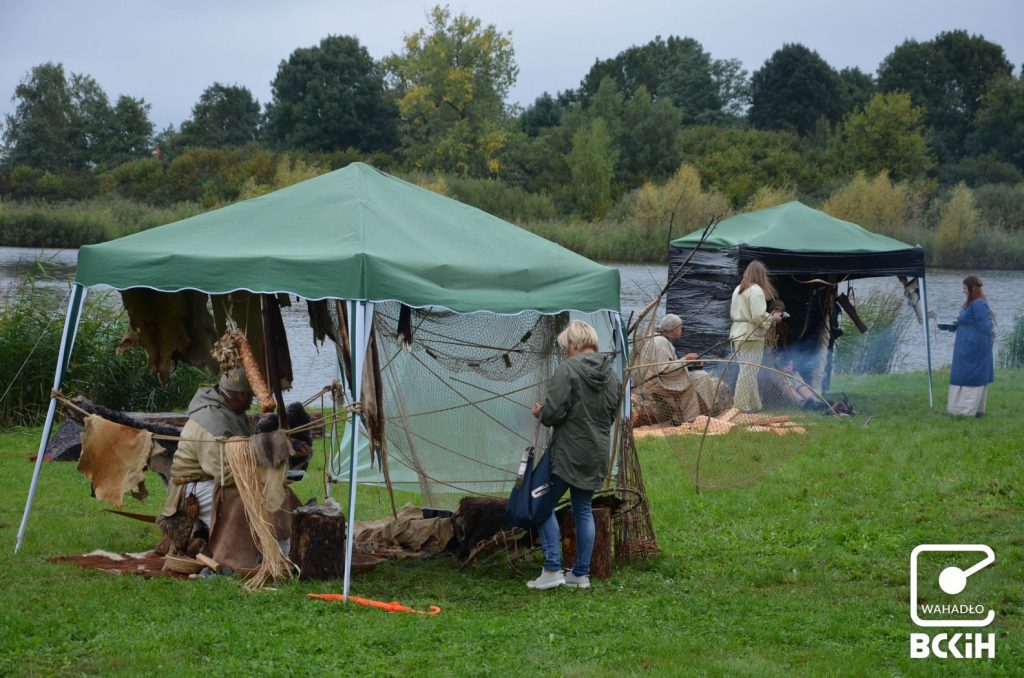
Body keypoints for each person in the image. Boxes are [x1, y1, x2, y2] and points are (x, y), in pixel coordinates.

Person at [527, 320, 621, 590]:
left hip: (568, 452)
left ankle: (553, 568)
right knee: (582, 509)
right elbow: (607, 413)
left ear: (572, 343)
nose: (564, 353)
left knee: (540, 503)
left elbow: (554, 413)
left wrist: (540, 412)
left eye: (565, 347)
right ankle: (580, 574)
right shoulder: (611, 375)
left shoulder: (567, 369)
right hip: (597, 451)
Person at [159, 367, 254, 543]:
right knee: (245, 500)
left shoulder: (228, 409)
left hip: (210, 480)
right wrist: (262, 466)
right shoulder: (212, 423)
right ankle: (231, 550)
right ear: (241, 396)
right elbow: (225, 476)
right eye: (251, 395)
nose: (252, 399)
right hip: (193, 488)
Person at [634, 313, 732, 424]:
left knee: (701, 376)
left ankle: (708, 411)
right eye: (680, 327)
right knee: (689, 384)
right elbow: (664, 370)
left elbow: (668, 364)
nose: (682, 330)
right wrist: (685, 360)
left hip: (660, 378)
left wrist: (689, 363)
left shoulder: (661, 339)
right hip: (655, 382)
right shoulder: (660, 342)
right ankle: (690, 420)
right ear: (673, 328)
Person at [729, 260, 780, 412]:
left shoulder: (738, 289)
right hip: (750, 335)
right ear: (761, 275)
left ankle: (755, 405)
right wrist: (773, 318)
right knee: (748, 371)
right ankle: (740, 406)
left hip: (738, 333)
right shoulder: (756, 290)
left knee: (748, 370)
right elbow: (758, 316)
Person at [948, 275, 995, 417]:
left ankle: (966, 410)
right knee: (962, 372)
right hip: (965, 344)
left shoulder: (978, 304)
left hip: (973, 346)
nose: (963, 290)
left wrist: (975, 339)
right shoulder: (970, 302)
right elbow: (969, 321)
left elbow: (986, 325)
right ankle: (958, 408)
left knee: (970, 373)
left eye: (964, 287)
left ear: (971, 287)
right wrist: (956, 326)